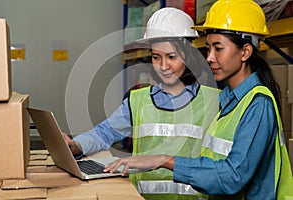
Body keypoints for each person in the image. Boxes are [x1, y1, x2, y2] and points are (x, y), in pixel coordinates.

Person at [104, 0, 293, 199]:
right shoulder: (228, 99)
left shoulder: (258, 103)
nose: (210, 57)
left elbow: (233, 176)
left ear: (245, 51)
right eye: (208, 48)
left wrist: (163, 160)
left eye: (218, 49)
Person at [63, 7, 219, 199]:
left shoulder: (215, 100)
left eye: (172, 57)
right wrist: (75, 145)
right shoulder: (138, 101)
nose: (163, 66)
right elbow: (105, 132)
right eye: (156, 57)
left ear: (189, 55)